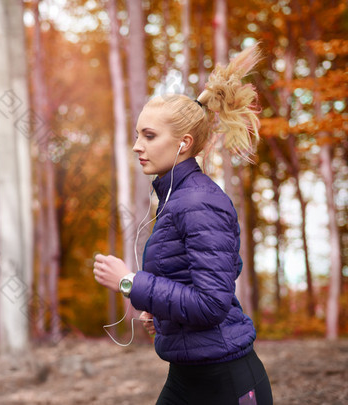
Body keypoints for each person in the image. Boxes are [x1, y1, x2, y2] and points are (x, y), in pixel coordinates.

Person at [93, 43, 273, 405]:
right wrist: (161, 314)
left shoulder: (199, 201)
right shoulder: (178, 198)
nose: (136, 146)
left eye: (149, 135)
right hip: (187, 375)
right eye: (137, 134)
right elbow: (209, 272)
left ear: (183, 144)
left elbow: (212, 303)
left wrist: (130, 282)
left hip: (226, 381)